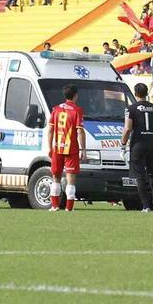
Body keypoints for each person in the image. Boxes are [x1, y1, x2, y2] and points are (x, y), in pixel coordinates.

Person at [121, 83, 153, 212]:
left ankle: (146, 205)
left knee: (139, 176)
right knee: (152, 173)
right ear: (147, 93)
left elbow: (128, 128)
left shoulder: (131, 109)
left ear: (135, 94)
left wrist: (123, 145)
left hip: (137, 144)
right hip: (152, 143)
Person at [47, 84, 87, 212]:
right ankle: (69, 208)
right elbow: (80, 131)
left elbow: (50, 130)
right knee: (71, 179)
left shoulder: (56, 109)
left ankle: (54, 206)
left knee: (56, 177)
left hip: (57, 148)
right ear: (75, 96)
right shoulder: (77, 110)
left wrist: (49, 147)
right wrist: (84, 149)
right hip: (71, 149)